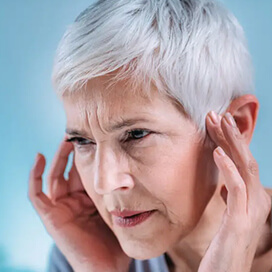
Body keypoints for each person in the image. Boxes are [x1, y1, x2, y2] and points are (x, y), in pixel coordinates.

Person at [28, 0, 272, 271]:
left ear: (236, 126)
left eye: (136, 134)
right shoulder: (81, 252)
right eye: (83, 141)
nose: (103, 183)